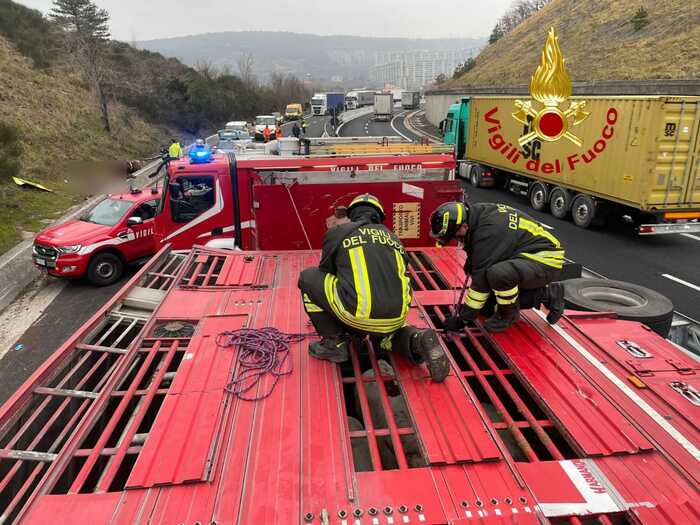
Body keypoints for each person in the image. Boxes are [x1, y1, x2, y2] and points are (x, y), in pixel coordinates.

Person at [298, 194, 450, 382]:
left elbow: (327, 271)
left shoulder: (339, 232)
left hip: (358, 314)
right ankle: (417, 340)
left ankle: (334, 344)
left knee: (308, 277)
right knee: (383, 338)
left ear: (352, 215)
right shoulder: (394, 238)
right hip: (396, 317)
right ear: (379, 217)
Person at [429, 201, 565, 333]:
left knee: (499, 274)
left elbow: (480, 284)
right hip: (524, 253)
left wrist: (463, 320)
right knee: (487, 307)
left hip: (546, 258)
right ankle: (544, 296)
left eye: (455, 237)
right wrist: (473, 260)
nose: (457, 241)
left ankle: (508, 315)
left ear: (464, 227)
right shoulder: (476, 214)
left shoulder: (488, 232)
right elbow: (478, 246)